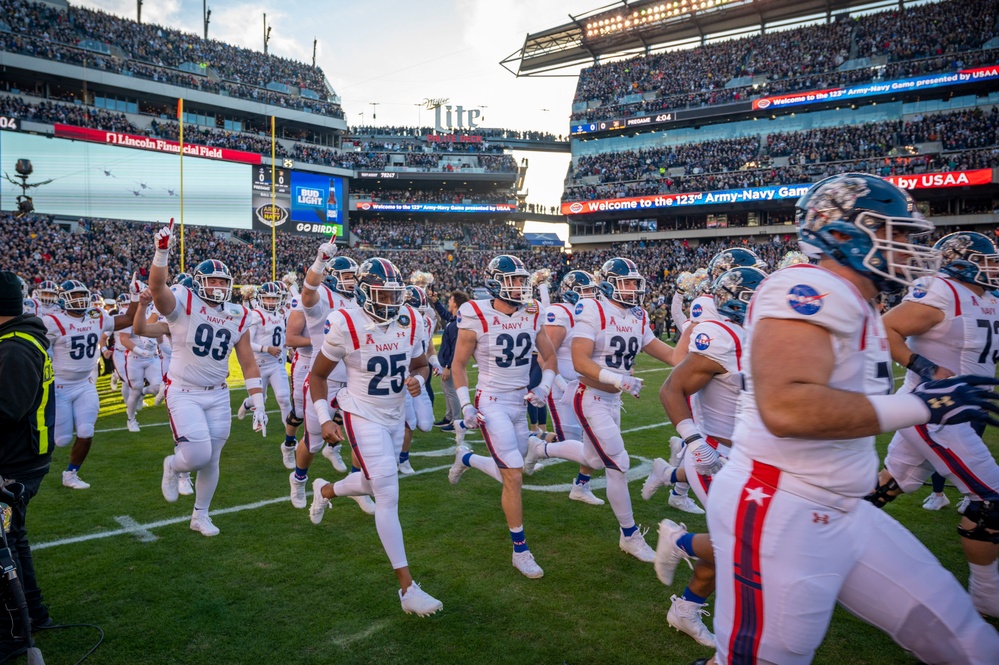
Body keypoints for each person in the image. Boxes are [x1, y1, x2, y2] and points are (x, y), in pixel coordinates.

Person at [706, 173, 999, 665]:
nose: (907, 247)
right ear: (842, 234)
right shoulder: (807, 285)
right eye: (896, 233)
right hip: (783, 505)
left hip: (844, 507)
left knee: (968, 644)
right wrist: (928, 404)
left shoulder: (861, 303)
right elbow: (787, 408)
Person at [865, 230, 999, 620]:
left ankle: (820, 543)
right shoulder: (942, 290)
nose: (993, 266)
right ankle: (987, 596)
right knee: (992, 502)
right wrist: (923, 367)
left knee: (889, 485)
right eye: (986, 259)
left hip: (964, 411)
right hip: (934, 413)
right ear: (960, 260)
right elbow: (885, 328)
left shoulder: (987, 297)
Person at [307, 257, 442, 616]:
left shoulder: (410, 319)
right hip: (362, 413)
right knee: (387, 490)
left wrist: (421, 380)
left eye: (394, 294)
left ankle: (325, 490)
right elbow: (317, 376)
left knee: (371, 482)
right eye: (382, 294)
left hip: (395, 414)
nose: (390, 301)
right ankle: (408, 589)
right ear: (365, 292)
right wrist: (324, 418)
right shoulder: (346, 323)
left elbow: (420, 364)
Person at [524, 257, 675, 562]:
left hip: (611, 401)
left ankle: (539, 448)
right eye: (628, 283)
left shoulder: (638, 315)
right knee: (617, 462)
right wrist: (618, 379)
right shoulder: (592, 308)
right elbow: (580, 362)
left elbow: (670, 355)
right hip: (589, 395)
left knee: (593, 457)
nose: (634, 289)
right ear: (608, 284)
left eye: (636, 283)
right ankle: (629, 535)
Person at [648, 266, 767, 650]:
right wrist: (694, 441)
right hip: (716, 453)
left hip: (750, 454)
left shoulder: (758, 335)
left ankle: (685, 608)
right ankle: (679, 541)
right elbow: (671, 389)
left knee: (739, 541)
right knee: (749, 544)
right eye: (756, 295)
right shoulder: (722, 334)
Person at [149, 221, 268, 537]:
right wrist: (162, 253)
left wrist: (258, 402)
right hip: (184, 390)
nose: (217, 285)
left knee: (212, 458)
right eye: (211, 280)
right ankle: (173, 466)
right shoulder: (184, 300)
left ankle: (200, 515)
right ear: (199, 282)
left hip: (218, 393)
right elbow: (157, 290)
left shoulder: (237, 313)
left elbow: (247, 361)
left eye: (222, 280)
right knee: (198, 454)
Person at [448, 255, 559, 579]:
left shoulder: (531, 311)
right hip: (491, 401)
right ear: (496, 282)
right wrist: (467, 405)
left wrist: (545, 387)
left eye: (523, 281)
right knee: (512, 474)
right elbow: (458, 364)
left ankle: (466, 458)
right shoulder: (475, 313)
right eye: (513, 280)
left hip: (519, 403)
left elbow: (549, 356)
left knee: (516, 467)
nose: (520, 287)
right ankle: (520, 550)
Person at [0, 271, 54, 646]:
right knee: (13, 538)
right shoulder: (16, 338)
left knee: (4, 545)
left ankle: (15, 630)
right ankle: (32, 613)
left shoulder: (16, 346)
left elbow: (7, 409)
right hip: (22, 454)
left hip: (15, 461)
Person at [43, 278, 137, 489]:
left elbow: (130, 318)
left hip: (85, 383)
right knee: (62, 440)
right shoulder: (52, 321)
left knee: (86, 431)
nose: (79, 301)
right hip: (60, 387)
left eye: (82, 296)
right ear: (63, 299)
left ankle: (71, 474)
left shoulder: (97, 315)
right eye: (74, 297)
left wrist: (135, 297)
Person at [539, 269, 604, 506]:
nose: (590, 295)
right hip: (562, 387)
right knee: (569, 439)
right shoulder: (560, 312)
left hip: (584, 386)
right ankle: (536, 445)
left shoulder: (589, 315)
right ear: (570, 293)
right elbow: (544, 357)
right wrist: (561, 385)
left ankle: (581, 486)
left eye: (591, 291)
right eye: (585, 291)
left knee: (594, 437)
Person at [237, 282, 293, 439]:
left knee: (283, 397)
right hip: (259, 364)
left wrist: (289, 348)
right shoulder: (256, 315)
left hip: (276, 363)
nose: (271, 302)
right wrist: (265, 349)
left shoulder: (280, 314)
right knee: (259, 399)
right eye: (268, 298)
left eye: (274, 299)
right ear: (261, 298)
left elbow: (281, 336)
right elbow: (246, 343)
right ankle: (246, 404)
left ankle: (290, 437)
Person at [435, 291, 468, 432]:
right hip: (448, 363)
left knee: (451, 391)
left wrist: (448, 366)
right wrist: (435, 301)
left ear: (455, 303)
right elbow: (445, 314)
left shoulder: (456, 324)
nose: (448, 302)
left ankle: (456, 421)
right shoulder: (454, 319)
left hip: (452, 364)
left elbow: (455, 348)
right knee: (447, 389)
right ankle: (449, 417)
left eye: (450, 300)